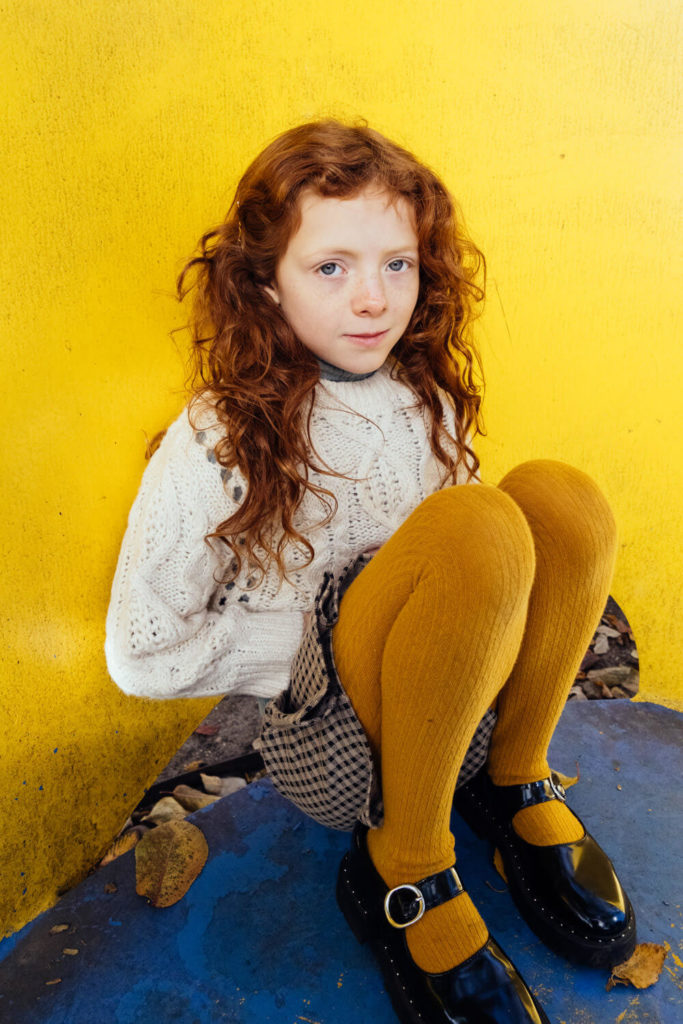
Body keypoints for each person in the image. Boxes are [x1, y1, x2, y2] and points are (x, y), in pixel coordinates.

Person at [106, 119, 636, 1023]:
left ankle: (514, 779)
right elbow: (140, 651)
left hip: (456, 718)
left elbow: (476, 566)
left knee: (559, 498)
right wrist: (325, 633)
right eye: (331, 267)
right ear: (264, 283)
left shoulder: (420, 391)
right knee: (474, 525)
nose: (373, 299)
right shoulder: (218, 435)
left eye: (398, 264)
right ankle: (407, 862)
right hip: (338, 746)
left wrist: (450, 621)